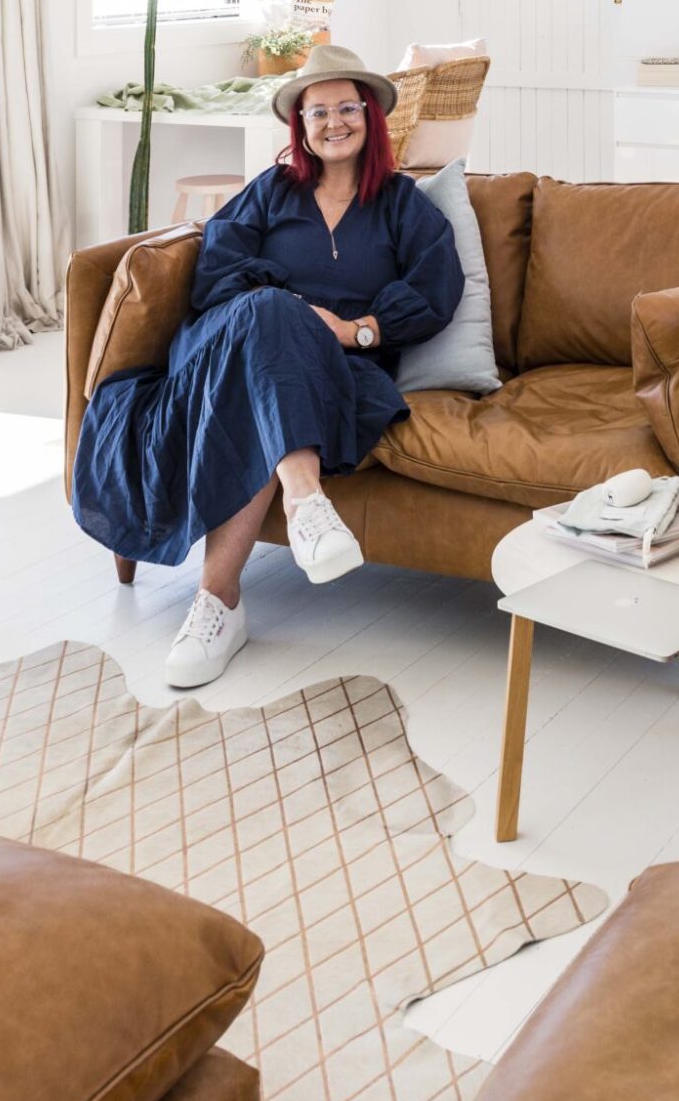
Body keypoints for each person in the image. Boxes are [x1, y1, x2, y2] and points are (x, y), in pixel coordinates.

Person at [72, 45, 462, 690]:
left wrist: (356, 328)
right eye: (319, 112)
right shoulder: (271, 192)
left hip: (334, 369)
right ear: (300, 126)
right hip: (229, 343)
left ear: (370, 117)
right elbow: (217, 271)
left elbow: (434, 292)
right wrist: (290, 308)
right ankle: (306, 503)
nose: (334, 122)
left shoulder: (404, 205)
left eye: (347, 108)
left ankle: (218, 604)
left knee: (258, 394)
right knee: (268, 317)